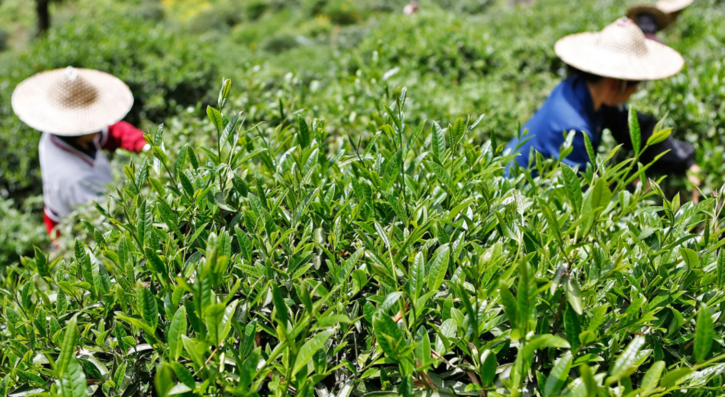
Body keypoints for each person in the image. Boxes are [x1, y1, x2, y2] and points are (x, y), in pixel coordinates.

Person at [504, 18, 700, 198]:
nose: (634, 91)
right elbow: (580, 194)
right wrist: (632, 189)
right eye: (635, 84)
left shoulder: (581, 90)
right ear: (617, 83)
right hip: (516, 197)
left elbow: (634, 128)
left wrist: (685, 160)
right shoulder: (573, 127)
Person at [11, 66, 148, 237]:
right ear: (80, 130)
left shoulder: (60, 135)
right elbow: (107, 222)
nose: (100, 124)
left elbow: (113, 133)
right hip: (72, 231)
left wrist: (145, 145)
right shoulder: (75, 178)